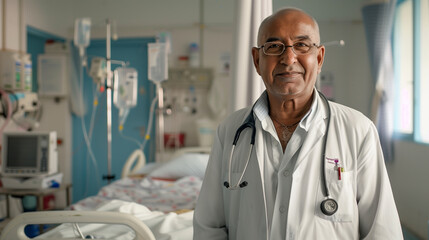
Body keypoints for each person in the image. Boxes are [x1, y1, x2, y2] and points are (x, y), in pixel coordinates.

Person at [193, 7, 403, 240]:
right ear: (256, 59)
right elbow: (209, 226)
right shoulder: (230, 131)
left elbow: (382, 231)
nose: (289, 58)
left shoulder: (358, 130)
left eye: (302, 45)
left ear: (320, 57)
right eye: (274, 47)